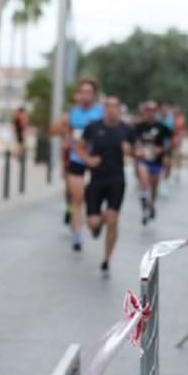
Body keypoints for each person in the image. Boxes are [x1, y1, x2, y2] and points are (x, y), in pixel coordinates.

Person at [77, 96, 134, 276]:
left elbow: (136, 150)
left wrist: (130, 150)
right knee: (93, 222)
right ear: (104, 109)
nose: (111, 110)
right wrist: (88, 159)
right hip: (96, 179)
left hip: (117, 179)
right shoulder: (93, 127)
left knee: (113, 217)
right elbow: (79, 147)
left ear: (119, 110)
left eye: (115, 107)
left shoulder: (126, 129)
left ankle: (106, 260)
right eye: (108, 107)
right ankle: (97, 224)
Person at [53, 78, 103, 250]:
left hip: (96, 160)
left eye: (89, 92)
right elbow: (59, 134)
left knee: (94, 198)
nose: (85, 95)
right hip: (76, 159)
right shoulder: (72, 114)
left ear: (95, 95)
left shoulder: (101, 112)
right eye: (82, 92)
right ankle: (77, 234)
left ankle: (95, 220)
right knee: (77, 198)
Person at [133, 101, 174, 225]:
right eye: (147, 111)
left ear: (156, 112)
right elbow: (132, 141)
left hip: (156, 160)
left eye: (152, 111)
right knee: (144, 182)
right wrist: (136, 149)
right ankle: (144, 204)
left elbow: (173, 139)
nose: (150, 113)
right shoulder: (138, 126)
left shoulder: (161, 126)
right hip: (142, 159)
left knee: (154, 187)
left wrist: (162, 149)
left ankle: (151, 204)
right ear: (144, 112)